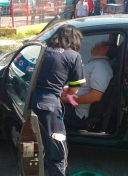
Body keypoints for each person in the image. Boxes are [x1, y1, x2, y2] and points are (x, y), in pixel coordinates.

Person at [32, 24, 85, 176]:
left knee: (37, 142)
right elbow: (74, 90)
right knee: (57, 150)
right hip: (48, 106)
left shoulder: (42, 50)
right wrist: (61, 90)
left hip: (28, 101)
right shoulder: (73, 56)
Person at [61, 42, 113, 121]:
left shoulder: (101, 66)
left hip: (76, 111)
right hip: (70, 102)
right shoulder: (95, 63)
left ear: (106, 49)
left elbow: (95, 96)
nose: (95, 45)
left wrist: (66, 100)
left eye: (100, 43)